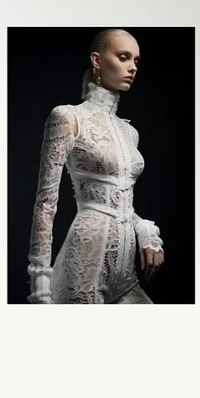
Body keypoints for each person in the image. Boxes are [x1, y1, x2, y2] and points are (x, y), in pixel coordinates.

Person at [25, 29, 165, 304]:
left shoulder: (129, 132)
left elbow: (119, 203)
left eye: (136, 61)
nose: (132, 67)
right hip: (84, 268)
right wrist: (39, 284)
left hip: (126, 275)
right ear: (97, 60)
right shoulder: (67, 117)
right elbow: (45, 204)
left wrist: (147, 231)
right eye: (123, 57)